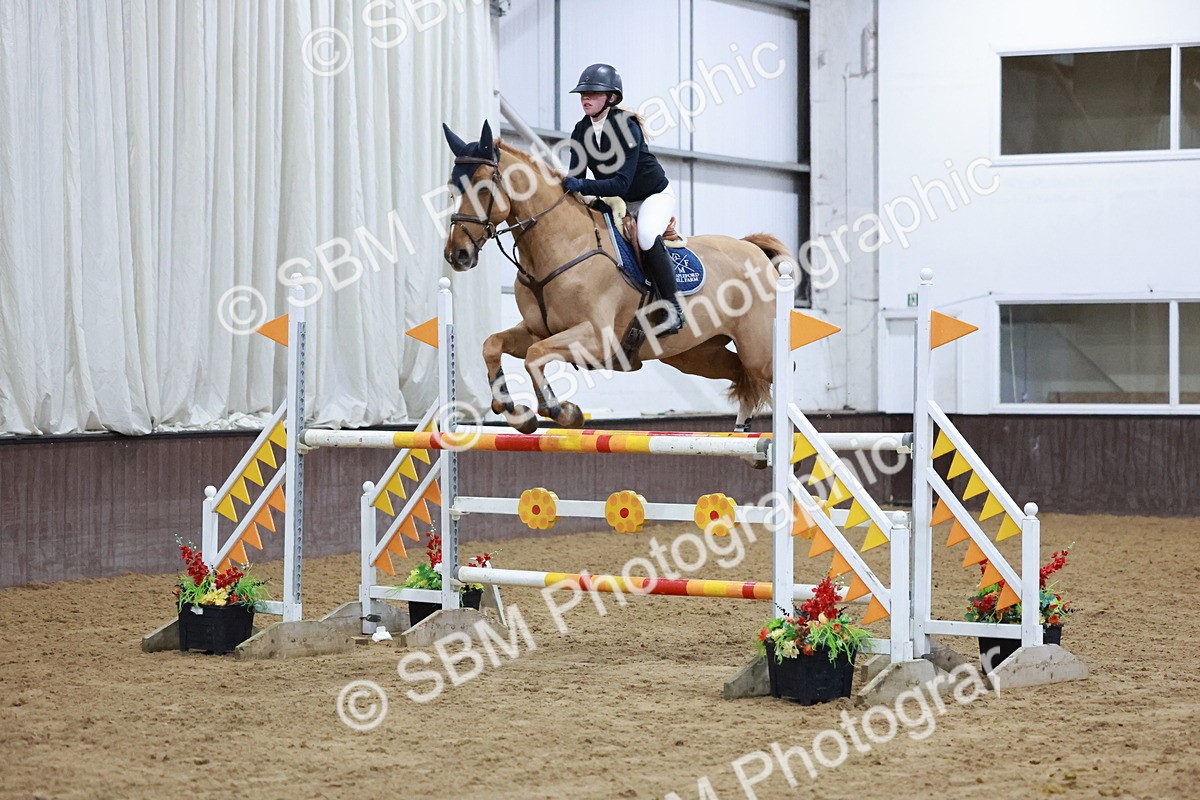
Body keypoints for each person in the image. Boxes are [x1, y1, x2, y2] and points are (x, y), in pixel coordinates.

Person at [563, 63, 683, 335]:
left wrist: (581, 184)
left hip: (652, 195)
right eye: (583, 93)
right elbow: (575, 178)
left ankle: (673, 309)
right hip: (618, 201)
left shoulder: (627, 126)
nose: (585, 98)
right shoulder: (581, 130)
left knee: (646, 235)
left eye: (593, 93)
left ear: (611, 97)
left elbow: (621, 183)